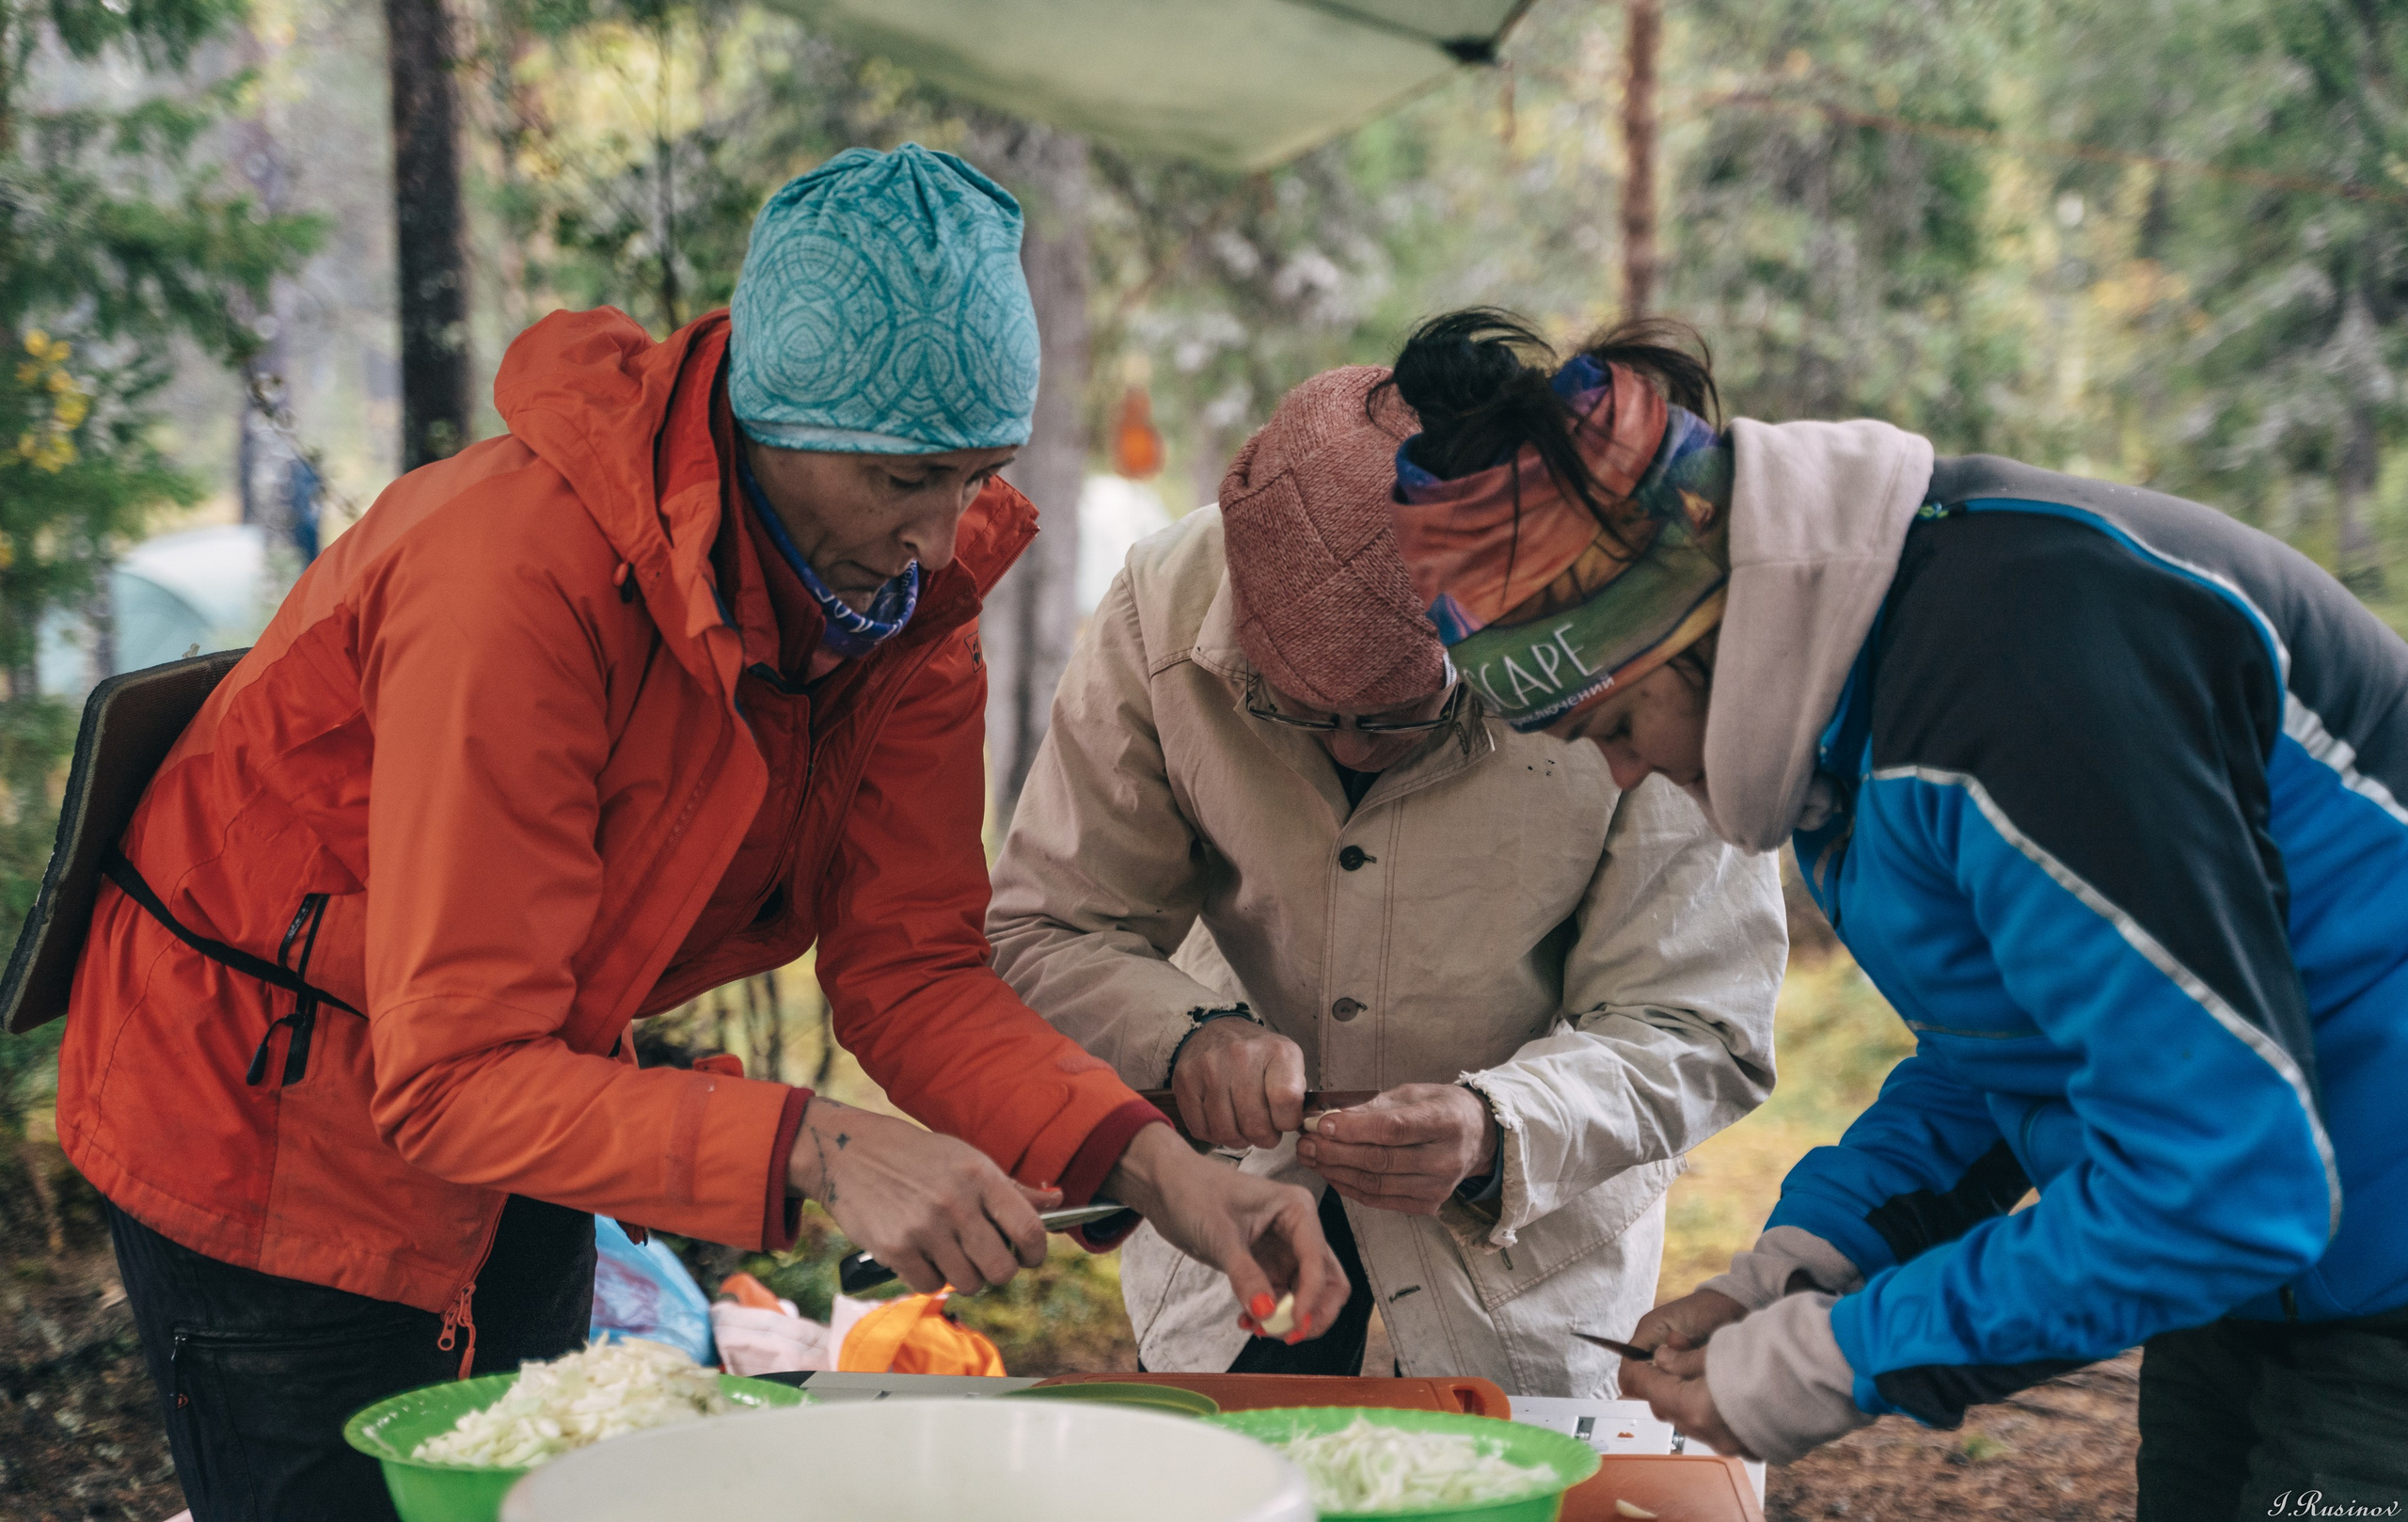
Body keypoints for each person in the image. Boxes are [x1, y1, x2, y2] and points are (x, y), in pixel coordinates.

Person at [54, 144, 1341, 1521]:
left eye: (977, 475)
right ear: (772, 422)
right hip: (258, 1103)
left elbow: (911, 966)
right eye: (906, 477)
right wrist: (821, 1145)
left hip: (534, 1089)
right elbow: (451, 1072)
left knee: (520, 1493)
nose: (939, 532)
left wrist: (1159, 1166)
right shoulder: (516, 579)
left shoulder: (904, 609)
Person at [1380, 308, 2408, 1517]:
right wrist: (1810, 1265)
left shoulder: (2019, 678)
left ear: (1690, 627)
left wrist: (1842, 1355)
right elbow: (2018, 1048)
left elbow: (2225, 1185)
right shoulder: (1861, 696)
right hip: (2268, 1280)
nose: (1616, 774)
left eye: (1612, 726)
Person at [987, 365, 1784, 1389]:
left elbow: (1695, 1022)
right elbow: (1048, 929)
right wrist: (1185, 1037)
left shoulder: (1619, 634)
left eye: (1399, 720)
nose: (1353, 750)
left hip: (1522, 1285)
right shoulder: (1162, 608)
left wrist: (1503, 1127)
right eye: (1302, 715)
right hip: (1225, 1252)